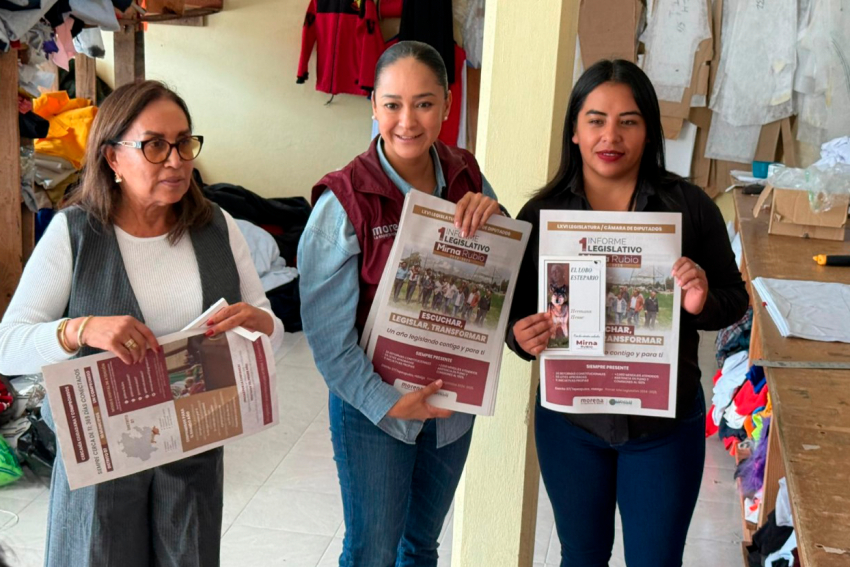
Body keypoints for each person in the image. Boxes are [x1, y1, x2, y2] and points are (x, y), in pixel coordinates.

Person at [0, 80, 284, 567]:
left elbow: (266, 334)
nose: (175, 160)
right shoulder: (75, 233)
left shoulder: (217, 227)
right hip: (101, 466)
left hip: (192, 458)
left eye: (184, 143)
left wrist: (263, 326)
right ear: (112, 157)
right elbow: (8, 345)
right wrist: (79, 330)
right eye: (154, 145)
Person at [506, 60, 748, 567]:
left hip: (663, 429)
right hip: (571, 425)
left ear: (649, 130)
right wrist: (520, 337)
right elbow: (517, 316)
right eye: (595, 120)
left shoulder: (689, 207)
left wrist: (701, 302)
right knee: (581, 557)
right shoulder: (542, 215)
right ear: (574, 130)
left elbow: (734, 298)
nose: (610, 136)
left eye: (628, 121)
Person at [298, 41, 501, 567]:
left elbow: (500, 282)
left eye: (424, 103)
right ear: (373, 105)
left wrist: (494, 219)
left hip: (451, 408)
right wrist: (387, 402)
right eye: (392, 104)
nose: (407, 121)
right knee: (371, 552)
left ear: (448, 103)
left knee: (421, 547)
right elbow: (327, 339)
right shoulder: (343, 201)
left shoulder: (468, 177)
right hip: (375, 411)